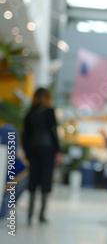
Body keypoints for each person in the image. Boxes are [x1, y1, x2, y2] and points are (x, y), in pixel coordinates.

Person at [22, 88, 62, 225]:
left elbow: (25, 135)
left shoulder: (30, 113)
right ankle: (42, 215)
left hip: (33, 150)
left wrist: (27, 152)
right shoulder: (49, 112)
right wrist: (57, 150)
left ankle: (29, 215)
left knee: (33, 180)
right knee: (46, 180)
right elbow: (53, 132)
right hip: (47, 150)